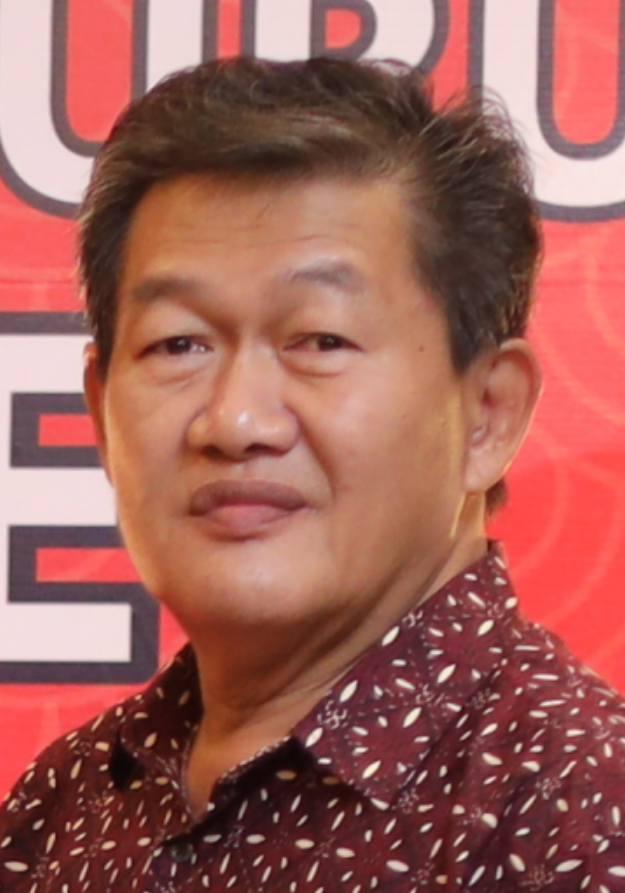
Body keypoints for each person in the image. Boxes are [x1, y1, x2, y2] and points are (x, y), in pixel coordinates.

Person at [1, 56, 625, 893]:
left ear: (487, 412)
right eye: (177, 343)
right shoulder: (63, 805)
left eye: (320, 340)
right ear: (99, 411)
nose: (234, 421)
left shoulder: (578, 811)